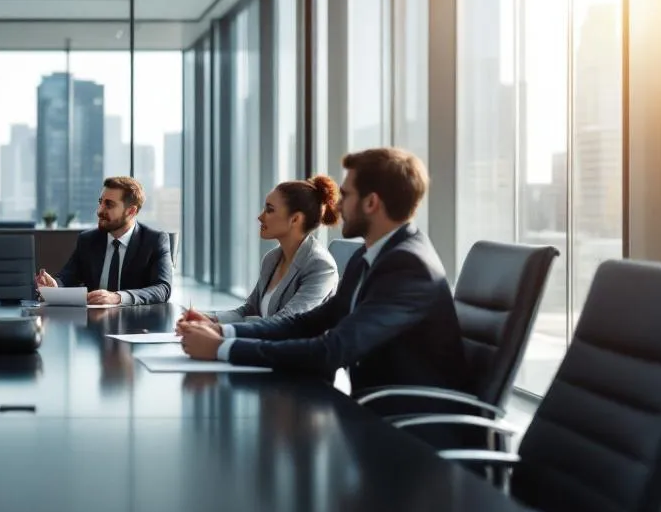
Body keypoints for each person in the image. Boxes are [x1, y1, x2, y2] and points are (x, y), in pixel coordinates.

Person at [177, 148, 469, 425]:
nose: (338, 205)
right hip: (374, 417)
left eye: (346, 195)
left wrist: (224, 349)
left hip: (412, 430)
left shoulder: (408, 266)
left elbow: (333, 349)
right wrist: (223, 331)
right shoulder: (368, 257)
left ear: (371, 203)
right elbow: (309, 323)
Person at [186, 176, 340, 324]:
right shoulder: (272, 259)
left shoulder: (320, 265)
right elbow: (250, 310)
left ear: (295, 219)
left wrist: (220, 329)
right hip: (265, 345)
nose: (260, 217)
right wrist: (209, 319)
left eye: (270, 210)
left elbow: (285, 322)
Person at [34, 176, 173, 305]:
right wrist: (54, 286)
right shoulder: (87, 240)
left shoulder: (154, 241)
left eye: (109, 205)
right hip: (94, 324)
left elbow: (162, 288)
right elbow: (67, 277)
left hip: (137, 323)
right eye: (101, 202)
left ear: (131, 211)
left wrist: (118, 297)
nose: (100, 211)